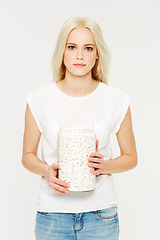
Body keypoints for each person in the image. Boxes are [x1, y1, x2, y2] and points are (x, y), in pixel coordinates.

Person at [22, 16, 138, 240]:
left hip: (100, 213)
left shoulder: (115, 100)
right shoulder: (39, 99)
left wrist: (103, 165)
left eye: (88, 48)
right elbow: (27, 156)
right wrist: (47, 171)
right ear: (62, 51)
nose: (79, 55)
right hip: (52, 214)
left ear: (97, 54)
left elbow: (131, 157)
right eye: (72, 47)